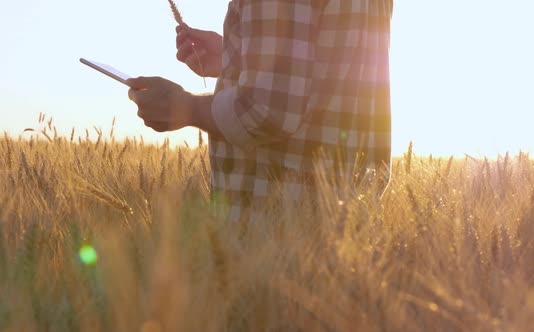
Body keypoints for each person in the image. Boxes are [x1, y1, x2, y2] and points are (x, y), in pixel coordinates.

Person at [127, 0, 394, 222]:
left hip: (273, 233)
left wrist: (185, 108)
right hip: (349, 229)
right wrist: (239, 60)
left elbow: (267, 112)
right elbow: (334, 73)